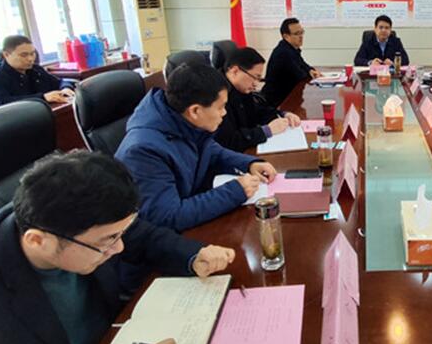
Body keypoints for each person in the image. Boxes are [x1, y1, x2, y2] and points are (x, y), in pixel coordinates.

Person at [0, 151, 236, 344]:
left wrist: (194, 256)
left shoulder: (71, 220)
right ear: (38, 241)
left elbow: (140, 235)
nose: (119, 248)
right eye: (107, 241)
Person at [116, 62, 276, 232]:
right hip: (160, 237)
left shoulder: (181, 120)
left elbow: (211, 151)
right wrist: (235, 191)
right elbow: (168, 217)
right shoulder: (143, 151)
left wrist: (249, 164)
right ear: (195, 111)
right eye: (220, 107)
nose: (224, 113)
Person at [215, 46, 301, 152]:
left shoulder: (241, 88)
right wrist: (266, 131)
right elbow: (229, 141)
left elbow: (256, 111)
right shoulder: (217, 95)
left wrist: (282, 115)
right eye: (255, 77)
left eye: (259, 79)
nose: (256, 84)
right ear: (235, 71)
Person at [0, 35, 75, 109]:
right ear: (6, 55)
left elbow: (60, 82)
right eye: (24, 55)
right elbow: (3, 103)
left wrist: (65, 88)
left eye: (32, 53)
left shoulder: (35, 69)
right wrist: (43, 97)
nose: (30, 59)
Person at [261, 18, 320, 106]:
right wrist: (308, 73)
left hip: (288, 96)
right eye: (297, 34)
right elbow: (300, 76)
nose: (301, 36)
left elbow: (303, 64)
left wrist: (310, 70)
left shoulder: (291, 48)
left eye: (302, 32)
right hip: (277, 102)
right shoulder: (283, 53)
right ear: (286, 36)